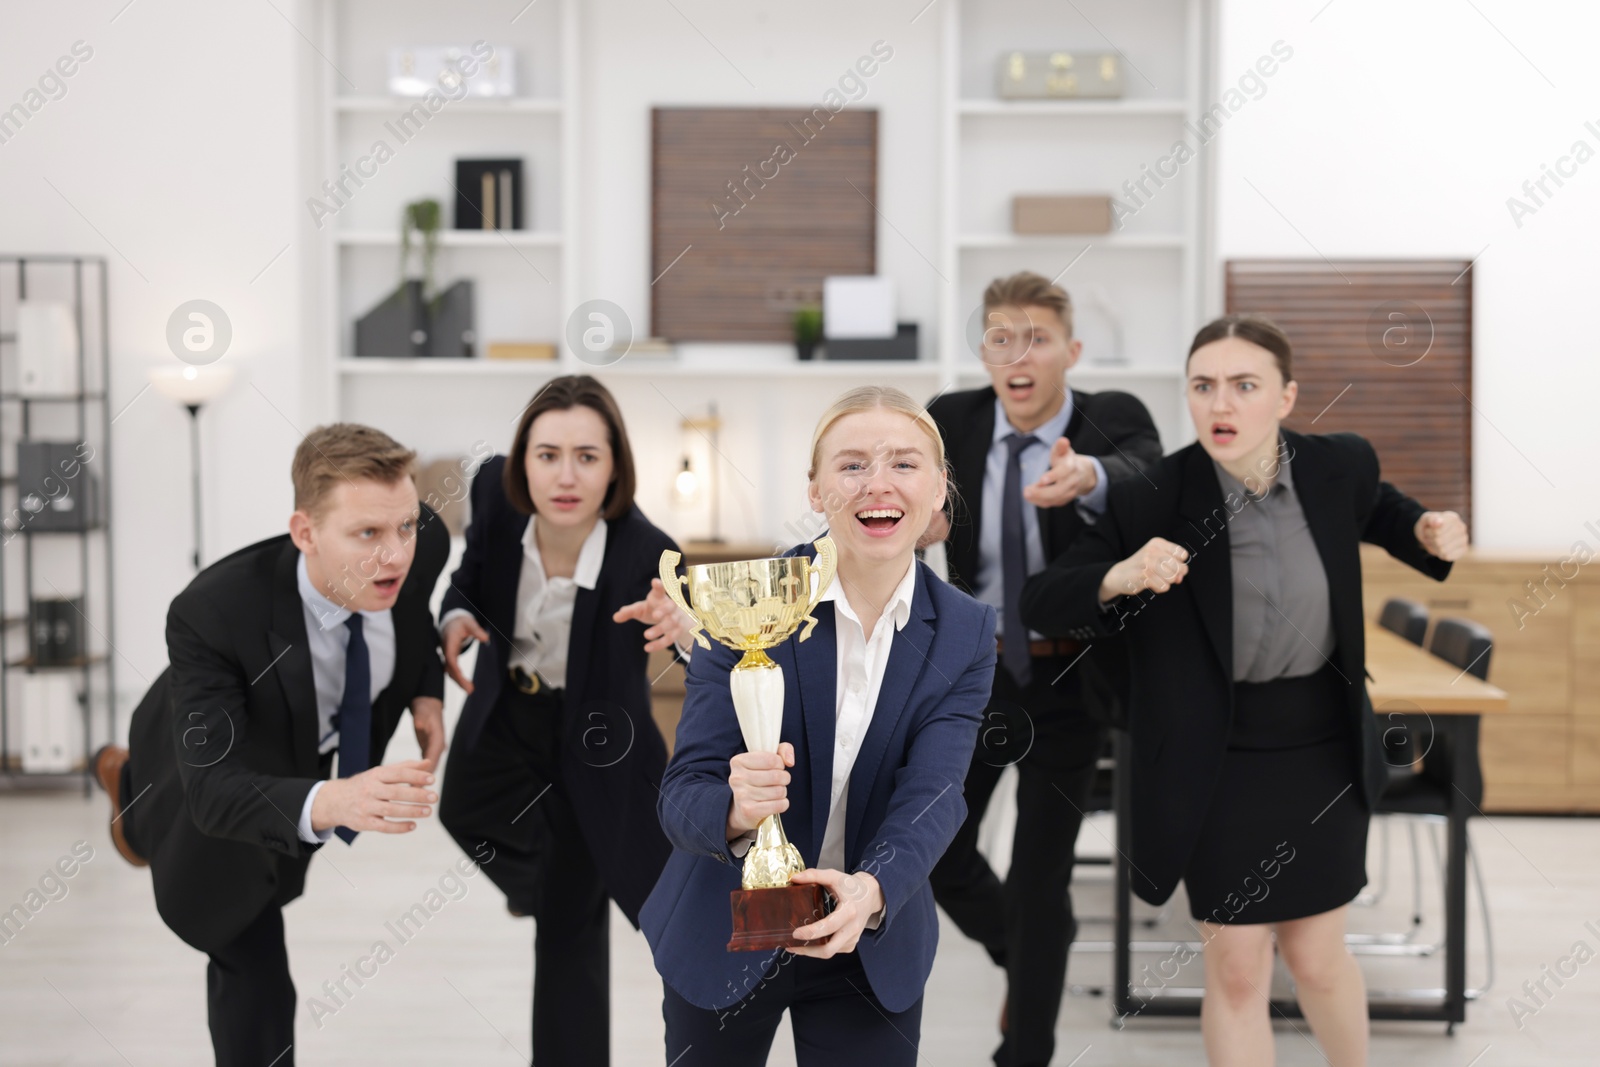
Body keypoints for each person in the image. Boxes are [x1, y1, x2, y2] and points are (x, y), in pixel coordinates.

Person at [1020, 315, 1469, 1066]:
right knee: (1236, 967)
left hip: (1321, 747)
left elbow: (1382, 508)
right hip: (1214, 756)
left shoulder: (1338, 465)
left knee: (1320, 957)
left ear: (1286, 397)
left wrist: (1425, 528)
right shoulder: (1156, 492)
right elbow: (1043, 597)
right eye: (1202, 386)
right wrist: (1118, 575)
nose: (1219, 404)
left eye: (1244, 385)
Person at [641, 386, 998, 1066]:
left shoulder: (966, 632)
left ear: (940, 485)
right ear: (815, 489)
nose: (878, 485)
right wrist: (737, 812)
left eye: (904, 462)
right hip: (723, 930)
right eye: (853, 464)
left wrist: (871, 890)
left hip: (870, 940)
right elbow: (681, 793)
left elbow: (935, 792)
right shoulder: (749, 599)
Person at [93, 423, 451, 1067]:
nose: (394, 555)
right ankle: (127, 791)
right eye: (367, 534)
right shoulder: (212, 613)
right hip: (209, 750)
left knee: (277, 874)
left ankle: (130, 796)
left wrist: (428, 688)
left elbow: (417, 607)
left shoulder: (417, 545)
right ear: (305, 532)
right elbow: (213, 791)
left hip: (299, 747)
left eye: (404, 526)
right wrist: (335, 800)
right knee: (248, 950)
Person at [923, 271, 1162, 1067]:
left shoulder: (1111, 417)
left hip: (1069, 679)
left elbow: (1147, 470)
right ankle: (1023, 954)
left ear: (1070, 350)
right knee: (937, 851)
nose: (1017, 354)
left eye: (1038, 338)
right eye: (1000, 338)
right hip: (976, 675)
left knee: (1037, 877)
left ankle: (1023, 1052)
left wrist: (1089, 476)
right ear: (985, 352)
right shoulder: (952, 419)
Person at [436, 374, 692, 1067]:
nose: (565, 475)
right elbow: (468, 576)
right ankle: (546, 890)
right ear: (522, 460)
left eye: (588, 455)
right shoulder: (492, 494)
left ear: (616, 467)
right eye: (547, 454)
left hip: (598, 743)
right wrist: (456, 616)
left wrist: (684, 625)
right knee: (458, 808)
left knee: (570, 938)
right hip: (508, 711)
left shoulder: (650, 552)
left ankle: (561, 901)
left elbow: (704, 638)